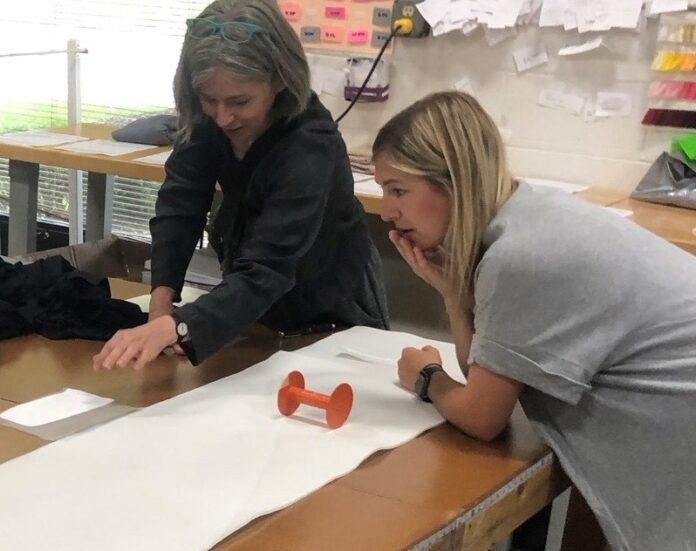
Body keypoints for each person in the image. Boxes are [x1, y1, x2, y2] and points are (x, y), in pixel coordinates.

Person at [373, 91, 696, 550]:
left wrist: (426, 377)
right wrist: (451, 294)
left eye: (398, 189)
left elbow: (483, 417)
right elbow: (482, 373)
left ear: (455, 182)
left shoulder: (519, 257)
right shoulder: (526, 215)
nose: (387, 210)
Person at [93, 0, 388, 370]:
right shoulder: (210, 118)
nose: (223, 116)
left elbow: (269, 267)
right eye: (209, 99)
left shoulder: (310, 145)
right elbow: (180, 206)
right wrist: (161, 303)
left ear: (280, 80)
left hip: (328, 310)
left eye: (240, 101)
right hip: (250, 303)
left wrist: (184, 326)